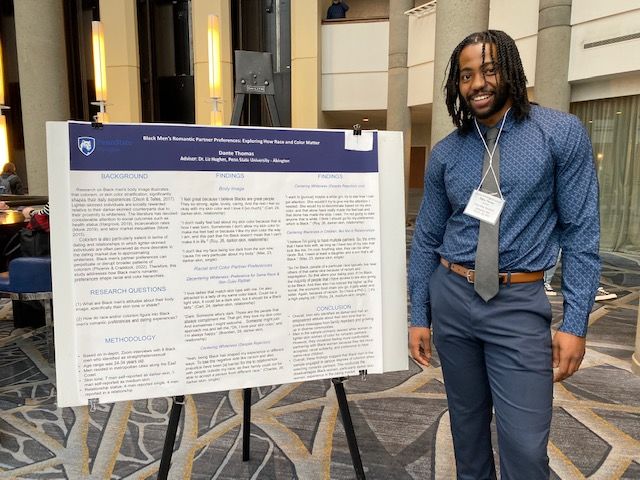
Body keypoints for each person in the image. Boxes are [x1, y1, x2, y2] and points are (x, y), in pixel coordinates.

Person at [408, 30, 600, 479]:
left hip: (518, 304)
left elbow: (581, 233)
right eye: (467, 75)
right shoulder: (446, 154)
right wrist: (420, 312)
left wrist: (575, 323)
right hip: (452, 297)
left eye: (489, 70)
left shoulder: (559, 134)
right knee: (468, 435)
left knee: (526, 447)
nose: (478, 83)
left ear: (510, 71)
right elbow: (426, 237)